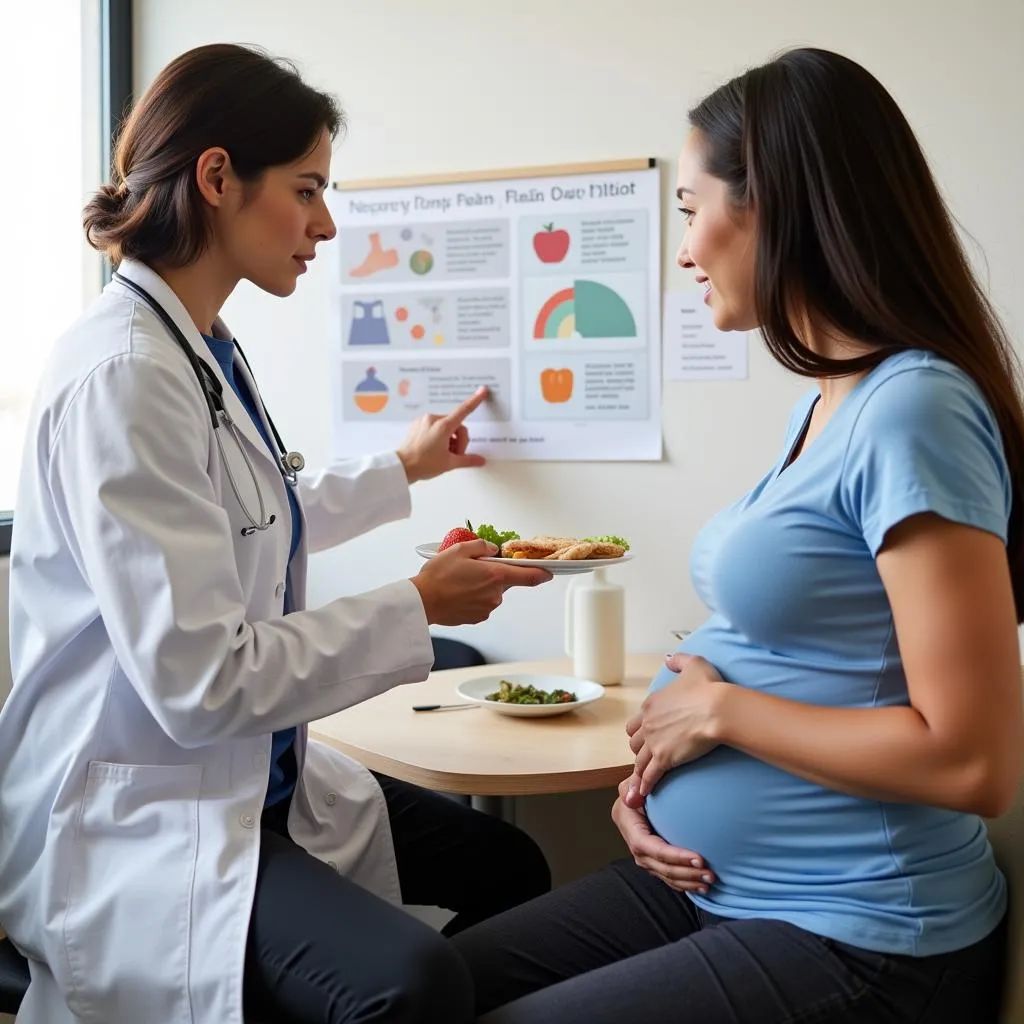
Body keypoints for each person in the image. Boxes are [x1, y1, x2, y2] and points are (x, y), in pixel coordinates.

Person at [451, 47, 1023, 1023]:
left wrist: (716, 717)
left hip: (863, 930)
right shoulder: (829, 402)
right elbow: (803, 651)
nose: (682, 249)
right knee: (423, 984)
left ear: (777, 208)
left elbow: (972, 761)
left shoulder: (913, 410)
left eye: (689, 210)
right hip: (713, 886)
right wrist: (651, 777)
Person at [0, 43, 553, 1024]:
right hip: (146, 816)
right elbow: (202, 681)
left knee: (506, 862)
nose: (325, 224)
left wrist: (405, 469)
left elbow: (255, 518)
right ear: (218, 177)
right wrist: (418, 606)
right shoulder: (125, 374)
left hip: (252, 782)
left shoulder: (198, 346)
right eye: (306, 190)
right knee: (415, 983)